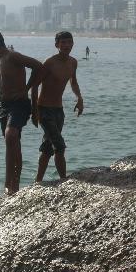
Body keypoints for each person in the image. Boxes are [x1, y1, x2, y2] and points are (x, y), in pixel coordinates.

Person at [0, 31, 44, 195]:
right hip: (4, 106)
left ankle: (10, 183)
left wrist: (27, 89)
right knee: (12, 144)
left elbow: (38, 66)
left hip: (18, 104)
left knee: (11, 135)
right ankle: (13, 186)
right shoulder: (2, 58)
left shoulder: (12, 56)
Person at [29, 31, 84, 183]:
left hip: (58, 111)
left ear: (73, 43)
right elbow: (34, 87)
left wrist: (79, 98)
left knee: (47, 148)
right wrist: (34, 112)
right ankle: (64, 180)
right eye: (63, 43)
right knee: (59, 146)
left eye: (69, 42)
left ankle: (38, 181)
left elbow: (73, 82)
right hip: (44, 110)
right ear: (57, 45)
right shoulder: (49, 63)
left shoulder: (73, 62)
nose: (66, 45)